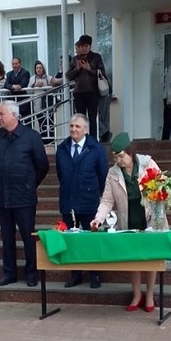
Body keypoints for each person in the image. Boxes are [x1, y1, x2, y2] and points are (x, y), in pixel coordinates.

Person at [89, 132, 167, 311]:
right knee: (133, 258)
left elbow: (162, 187)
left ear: (130, 152)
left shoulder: (148, 164)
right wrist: (98, 219)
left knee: (151, 256)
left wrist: (158, 206)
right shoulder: (113, 173)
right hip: (128, 218)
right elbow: (107, 200)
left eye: (121, 156)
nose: (118, 160)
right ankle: (136, 294)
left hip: (149, 217)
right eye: (115, 157)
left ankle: (150, 295)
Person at [0, 100, 49, 287]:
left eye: (1, 114)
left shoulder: (31, 136)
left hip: (24, 197)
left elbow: (42, 166)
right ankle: (9, 273)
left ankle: (31, 273)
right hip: (3, 196)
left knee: (28, 237)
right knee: (7, 237)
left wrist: (29, 184)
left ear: (13, 115)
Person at [55, 113, 108, 289]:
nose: (73, 129)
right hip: (68, 201)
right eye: (71, 126)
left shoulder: (96, 149)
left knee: (91, 239)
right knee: (71, 240)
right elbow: (61, 174)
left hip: (88, 202)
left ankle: (95, 274)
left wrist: (96, 195)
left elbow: (103, 175)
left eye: (77, 126)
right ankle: (75, 274)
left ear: (85, 129)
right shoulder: (62, 148)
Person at [66, 34, 107, 139]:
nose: (83, 49)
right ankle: (82, 140)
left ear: (90, 46)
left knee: (92, 118)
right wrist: (77, 68)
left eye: (86, 46)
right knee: (80, 119)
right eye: (81, 46)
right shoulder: (75, 59)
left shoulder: (96, 57)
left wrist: (89, 68)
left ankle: (92, 141)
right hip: (79, 92)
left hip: (92, 91)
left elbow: (102, 73)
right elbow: (69, 75)